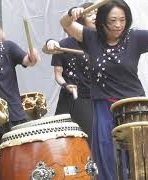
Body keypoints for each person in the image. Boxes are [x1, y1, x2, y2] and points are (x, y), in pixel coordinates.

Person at [60, 0, 148, 179]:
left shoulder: (134, 37)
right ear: (102, 21)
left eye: (122, 19)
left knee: (139, 157)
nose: (118, 25)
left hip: (134, 107)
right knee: (106, 154)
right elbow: (65, 23)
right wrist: (72, 12)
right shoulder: (91, 38)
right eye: (112, 21)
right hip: (104, 107)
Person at [45, 2, 95, 144]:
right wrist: (66, 84)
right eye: (90, 14)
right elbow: (58, 75)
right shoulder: (64, 45)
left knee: (93, 140)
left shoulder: (100, 42)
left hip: (94, 98)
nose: (94, 17)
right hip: (72, 98)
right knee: (64, 142)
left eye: (97, 13)